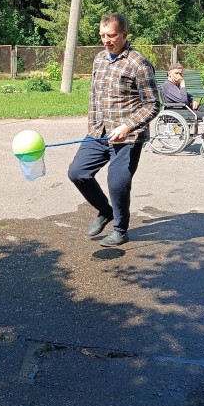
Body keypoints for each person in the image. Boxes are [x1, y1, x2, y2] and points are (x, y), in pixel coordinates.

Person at [68, 13, 160, 247]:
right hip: (99, 132)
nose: (106, 41)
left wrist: (127, 126)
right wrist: (93, 127)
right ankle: (105, 211)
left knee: (117, 183)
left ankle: (120, 230)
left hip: (127, 137)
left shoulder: (139, 63)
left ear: (124, 34)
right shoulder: (99, 59)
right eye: (102, 36)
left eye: (111, 35)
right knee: (78, 173)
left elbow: (152, 105)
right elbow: (94, 97)